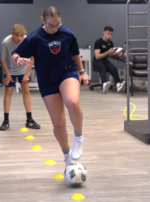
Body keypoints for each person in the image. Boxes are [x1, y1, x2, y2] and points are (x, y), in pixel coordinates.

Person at [11, 6, 89, 166]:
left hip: (67, 73)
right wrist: (18, 59)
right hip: (47, 80)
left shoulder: (67, 33)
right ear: (43, 21)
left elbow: (75, 54)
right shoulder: (34, 37)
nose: (54, 29)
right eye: (50, 25)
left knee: (72, 102)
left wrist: (81, 72)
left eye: (57, 25)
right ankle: (67, 156)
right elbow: (16, 53)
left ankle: (79, 137)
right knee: (59, 124)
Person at [0, 24, 40, 131]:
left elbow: (32, 57)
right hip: (10, 70)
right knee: (8, 92)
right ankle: (6, 120)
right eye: (17, 35)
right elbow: (3, 59)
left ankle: (29, 120)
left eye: (21, 35)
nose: (19, 38)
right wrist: (7, 75)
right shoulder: (6, 42)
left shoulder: (28, 40)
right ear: (12, 34)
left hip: (23, 70)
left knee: (26, 92)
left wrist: (26, 74)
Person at [93, 26, 126, 94]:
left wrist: (119, 52)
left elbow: (112, 54)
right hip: (97, 62)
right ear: (104, 33)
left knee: (113, 69)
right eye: (108, 33)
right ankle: (104, 84)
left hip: (105, 61)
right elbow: (97, 56)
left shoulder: (110, 43)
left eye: (111, 34)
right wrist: (108, 52)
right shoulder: (98, 42)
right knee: (102, 68)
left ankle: (118, 85)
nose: (110, 35)